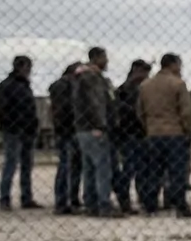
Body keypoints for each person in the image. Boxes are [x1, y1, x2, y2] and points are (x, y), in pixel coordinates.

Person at [137, 53, 191, 217]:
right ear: (173, 65)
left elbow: (140, 111)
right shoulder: (178, 84)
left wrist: (149, 126)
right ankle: (179, 205)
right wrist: (187, 130)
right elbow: (186, 112)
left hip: (153, 133)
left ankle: (150, 206)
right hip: (174, 132)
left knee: (154, 171)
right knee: (176, 172)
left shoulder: (145, 85)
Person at [74, 47, 120, 217]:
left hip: (82, 129)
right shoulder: (92, 78)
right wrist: (100, 126)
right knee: (102, 168)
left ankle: (91, 204)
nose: (107, 61)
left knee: (89, 169)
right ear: (97, 58)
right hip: (94, 129)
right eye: (104, 57)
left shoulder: (80, 77)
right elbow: (96, 103)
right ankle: (104, 204)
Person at [0, 55, 41, 212]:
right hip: (13, 131)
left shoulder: (24, 86)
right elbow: (3, 110)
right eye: (28, 67)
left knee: (27, 165)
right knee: (11, 163)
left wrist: (33, 125)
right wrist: (13, 125)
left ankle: (26, 198)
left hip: (27, 130)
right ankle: (5, 198)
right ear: (21, 67)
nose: (29, 71)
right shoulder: (6, 86)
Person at [112, 59, 151, 215]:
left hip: (137, 133)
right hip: (130, 134)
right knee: (130, 169)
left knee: (141, 169)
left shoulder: (135, 89)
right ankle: (125, 200)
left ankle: (140, 199)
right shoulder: (125, 90)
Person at [48, 63, 83, 214]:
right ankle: (62, 201)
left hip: (67, 130)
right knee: (67, 166)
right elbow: (65, 109)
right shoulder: (65, 86)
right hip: (67, 130)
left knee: (72, 166)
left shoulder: (64, 85)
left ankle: (70, 199)